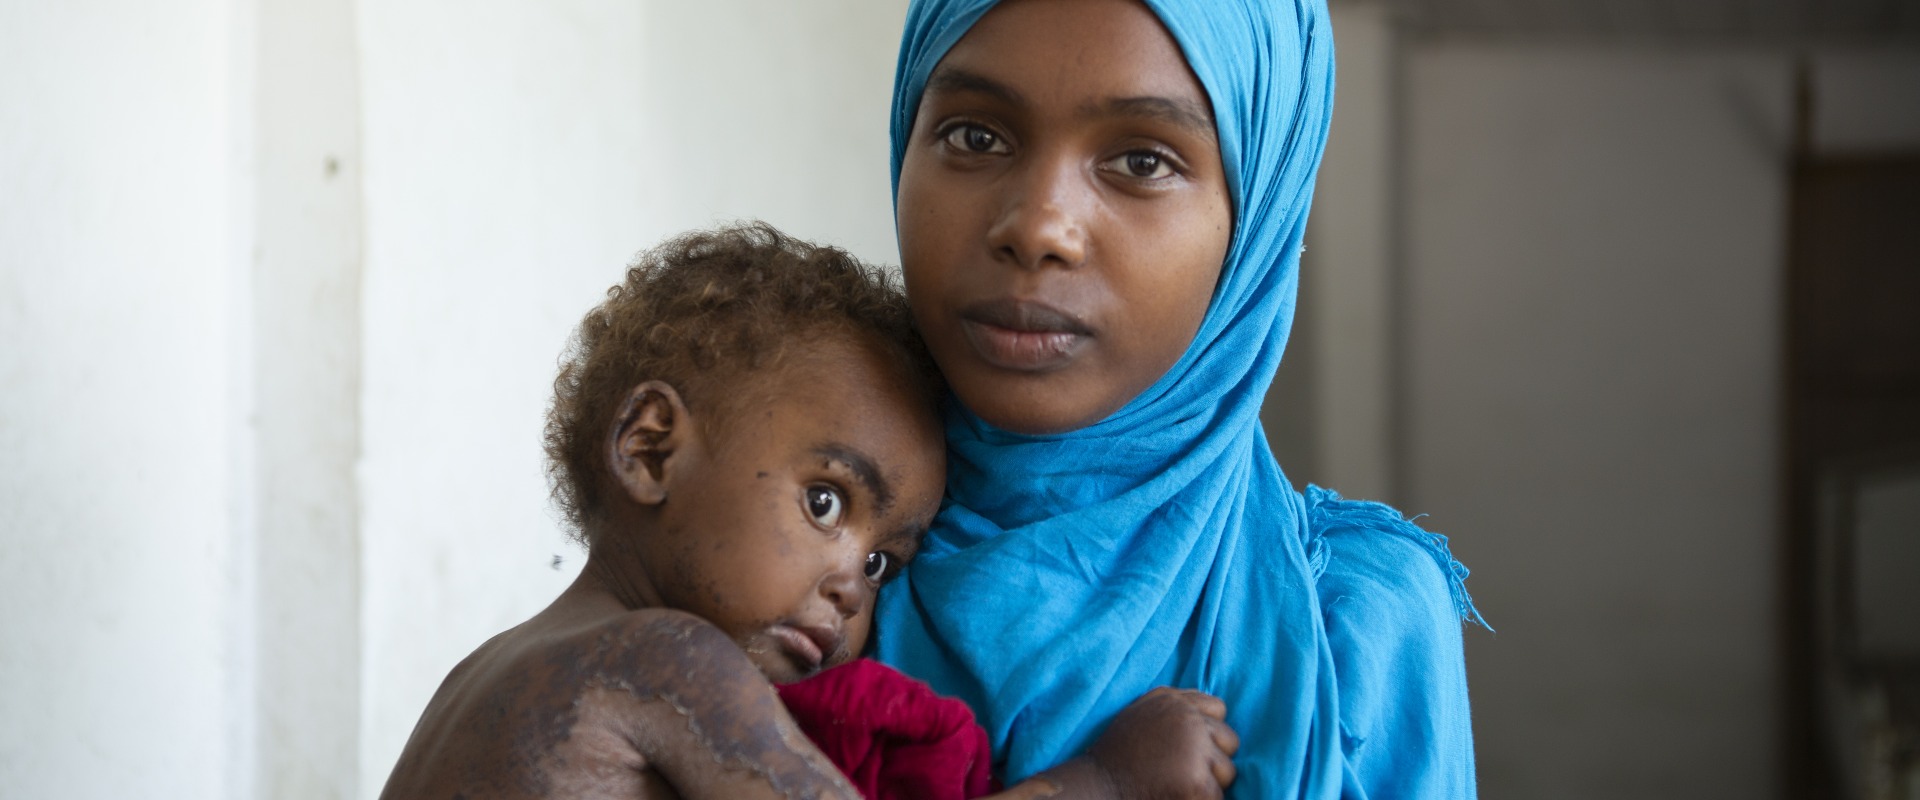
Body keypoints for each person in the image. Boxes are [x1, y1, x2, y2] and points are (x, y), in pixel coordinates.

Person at [377, 223, 1239, 799]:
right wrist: (1103, 782)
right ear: (650, 448)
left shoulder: (482, 674)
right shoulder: (664, 661)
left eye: (882, 562)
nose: (851, 588)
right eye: (825, 502)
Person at [873, 1, 1490, 798]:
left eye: (1142, 161)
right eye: (975, 137)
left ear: (1256, 218)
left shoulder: (1355, 628)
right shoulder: (791, 545)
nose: (1039, 228)